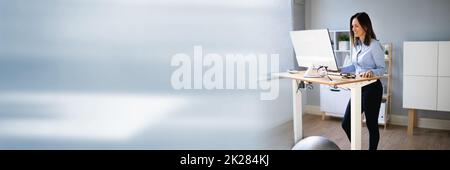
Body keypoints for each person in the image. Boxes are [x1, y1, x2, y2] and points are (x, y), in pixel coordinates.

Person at [340, 12, 385, 150]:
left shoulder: (374, 45)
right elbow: (355, 66)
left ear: (365, 26)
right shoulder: (355, 45)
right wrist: (340, 69)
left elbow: (382, 69)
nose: (353, 29)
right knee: (346, 123)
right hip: (358, 88)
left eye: (356, 26)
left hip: (372, 88)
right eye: (352, 26)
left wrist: (372, 72)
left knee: (371, 125)